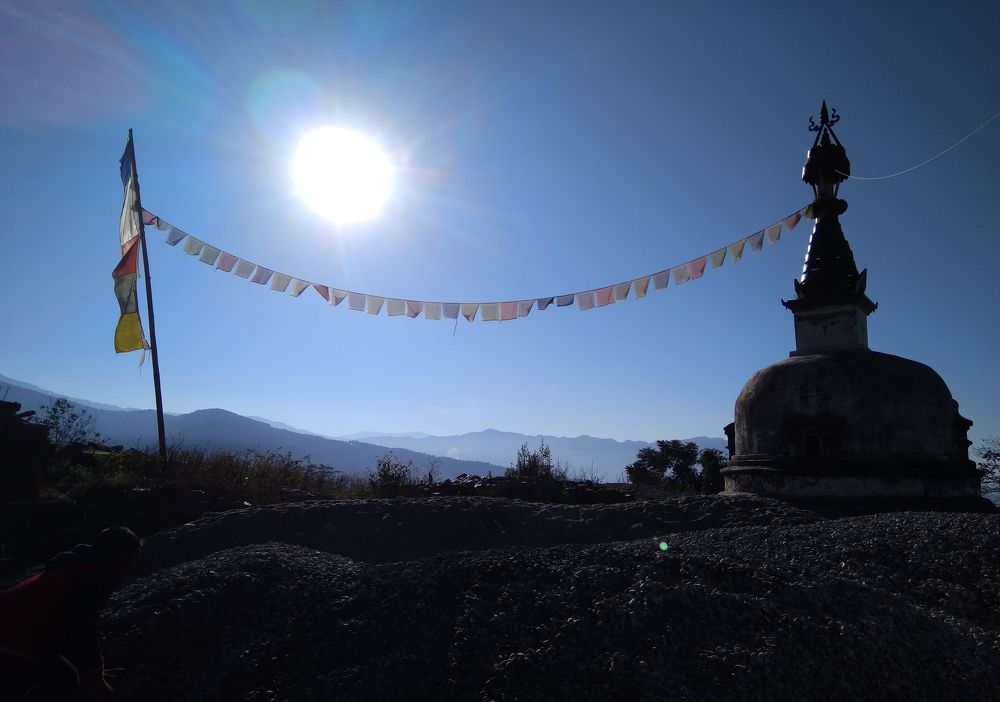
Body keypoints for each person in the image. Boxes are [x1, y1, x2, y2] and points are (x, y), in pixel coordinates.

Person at [0, 526, 142, 700]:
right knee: (64, 679)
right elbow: (83, 628)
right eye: (132, 560)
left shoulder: (76, 563)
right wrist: (95, 676)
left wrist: (93, 669)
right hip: (12, 635)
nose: (132, 567)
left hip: (13, 624)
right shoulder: (95, 577)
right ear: (120, 557)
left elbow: (68, 625)